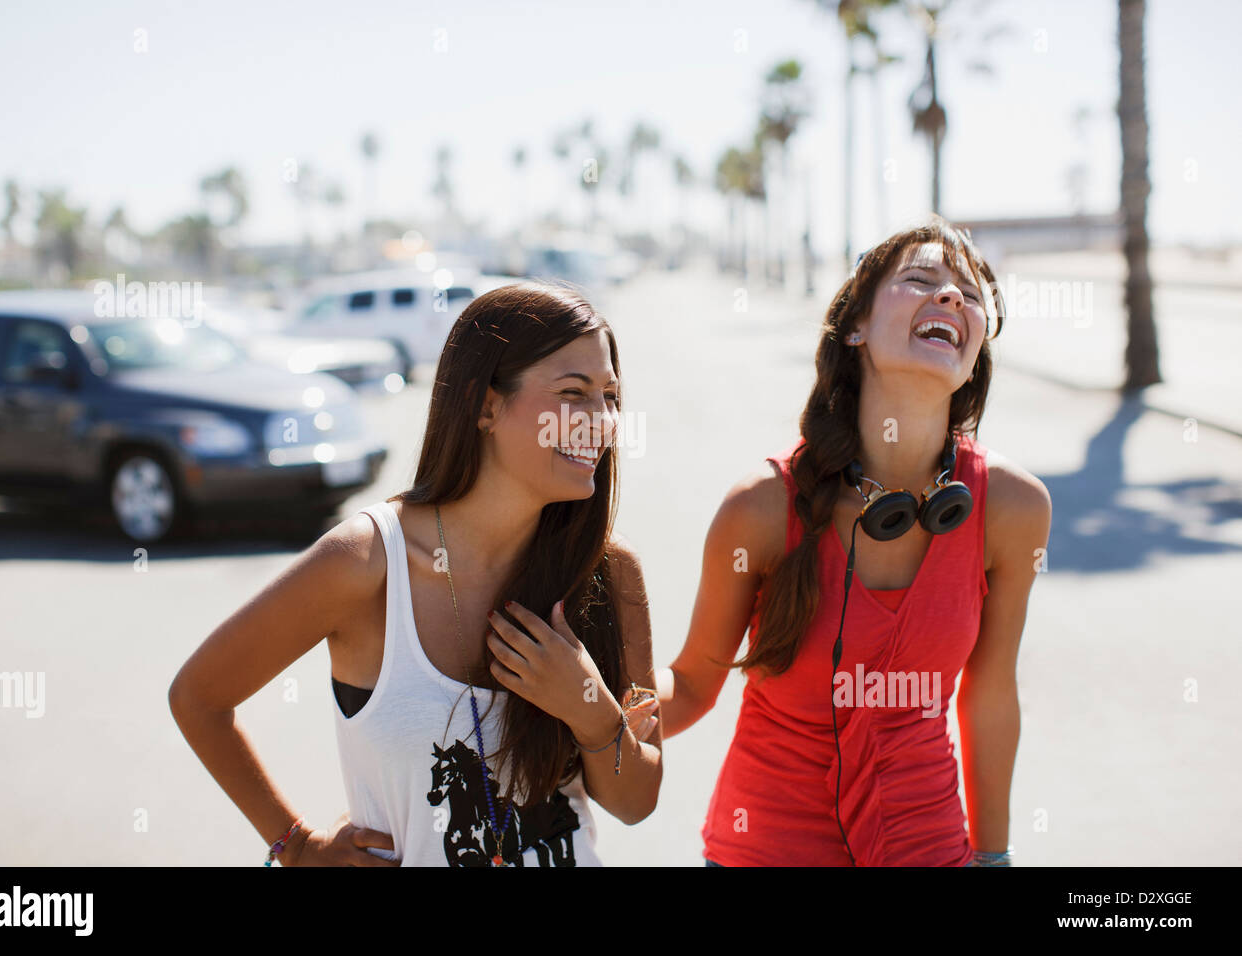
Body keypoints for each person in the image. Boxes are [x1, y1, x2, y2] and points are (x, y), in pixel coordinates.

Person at [169, 281, 662, 866]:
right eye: (573, 393)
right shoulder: (365, 564)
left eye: (609, 396)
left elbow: (636, 802)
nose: (601, 420)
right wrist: (296, 846)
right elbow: (199, 698)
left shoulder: (610, 571)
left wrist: (586, 707)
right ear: (485, 405)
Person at [657, 215, 1051, 866]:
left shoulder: (1012, 505)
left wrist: (994, 856)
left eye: (971, 295)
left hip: (931, 850)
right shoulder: (761, 506)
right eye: (920, 280)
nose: (951, 297)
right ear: (855, 326)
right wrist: (582, 709)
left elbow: (991, 694)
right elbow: (692, 685)